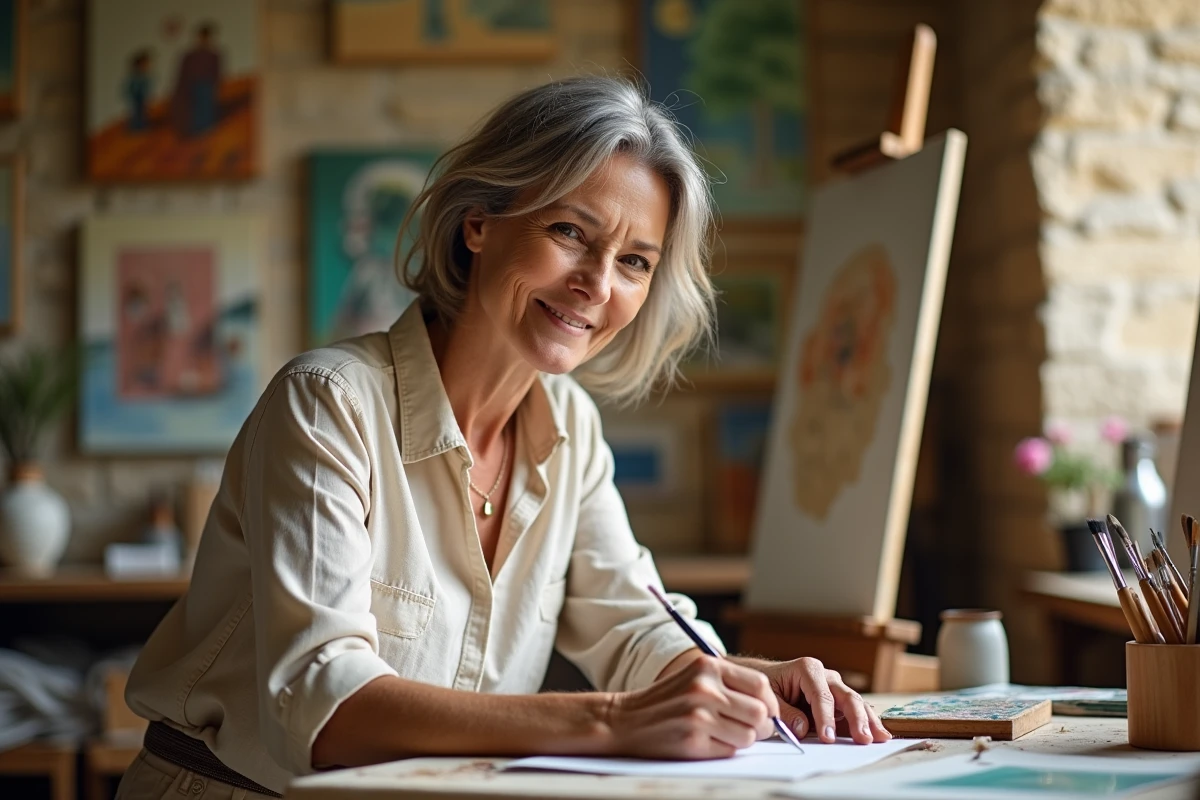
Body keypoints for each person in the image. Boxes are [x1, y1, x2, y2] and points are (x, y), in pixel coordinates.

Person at [116, 76, 890, 800]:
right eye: (570, 231)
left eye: (634, 262)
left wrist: (741, 680)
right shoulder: (327, 403)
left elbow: (631, 620)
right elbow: (323, 707)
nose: (598, 284)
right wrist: (612, 720)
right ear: (478, 222)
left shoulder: (572, 426)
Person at [170, 22, 222, 138]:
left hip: (207, 85)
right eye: (202, 37)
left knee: (207, 108)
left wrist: (216, 84)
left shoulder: (214, 54)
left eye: (206, 37)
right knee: (194, 109)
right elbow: (183, 72)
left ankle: (206, 131)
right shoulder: (190, 55)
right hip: (192, 85)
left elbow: (216, 71)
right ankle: (196, 131)